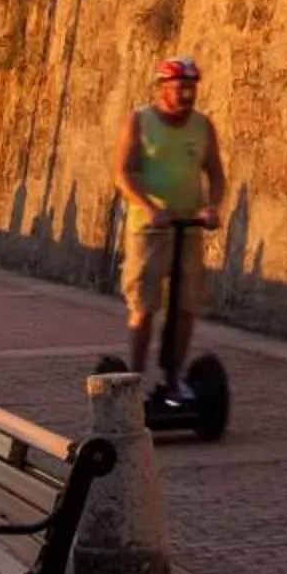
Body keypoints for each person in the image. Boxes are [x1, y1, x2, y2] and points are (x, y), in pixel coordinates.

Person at [112, 58, 227, 400]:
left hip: (188, 229)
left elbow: (216, 175)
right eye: (181, 88)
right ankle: (134, 377)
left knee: (186, 307)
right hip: (149, 230)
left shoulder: (202, 126)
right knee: (144, 307)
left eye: (192, 88)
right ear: (164, 88)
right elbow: (123, 173)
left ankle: (174, 377)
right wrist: (149, 208)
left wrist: (212, 207)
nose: (188, 94)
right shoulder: (140, 121)